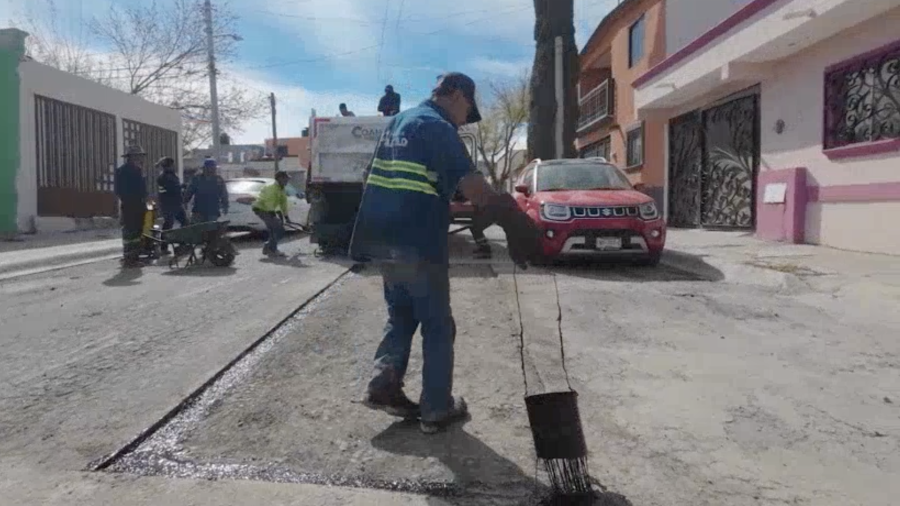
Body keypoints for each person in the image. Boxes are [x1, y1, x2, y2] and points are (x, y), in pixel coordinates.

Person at [349, 72, 541, 434]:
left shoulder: (398, 124)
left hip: (385, 240)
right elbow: (476, 191)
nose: (464, 120)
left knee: (401, 316)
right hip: (418, 241)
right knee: (438, 325)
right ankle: (436, 407)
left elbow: (391, 179)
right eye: (467, 111)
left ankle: (383, 385)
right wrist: (512, 218)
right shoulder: (437, 127)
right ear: (454, 94)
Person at [114, 145, 149, 268]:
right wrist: (132, 200)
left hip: (138, 205)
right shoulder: (123, 171)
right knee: (131, 233)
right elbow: (119, 190)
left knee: (137, 232)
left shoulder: (138, 170)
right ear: (130, 157)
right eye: (138, 155)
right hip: (131, 206)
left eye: (141, 156)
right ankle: (130, 258)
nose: (140, 158)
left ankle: (133, 257)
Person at [251, 171, 295, 257]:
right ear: (280, 179)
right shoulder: (272, 188)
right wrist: (273, 214)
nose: (287, 181)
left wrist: (286, 216)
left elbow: (283, 203)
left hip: (268, 209)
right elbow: (269, 202)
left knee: (273, 230)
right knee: (279, 230)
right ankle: (271, 248)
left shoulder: (281, 188)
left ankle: (269, 248)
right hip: (262, 209)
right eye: (286, 179)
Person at [155, 156, 188, 255]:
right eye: (172, 165)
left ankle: (182, 244)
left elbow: (175, 188)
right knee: (168, 225)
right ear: (168, 166)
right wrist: (181, 186)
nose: (174, 166)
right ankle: (164, 247)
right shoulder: (164, 177)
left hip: (176, 204)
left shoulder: (171, 175)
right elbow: (172, 189)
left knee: (185, 223)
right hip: (168, 205)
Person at [184, 158, 229, 223]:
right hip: (198, 210)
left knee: (211, 230)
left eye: (214, 168)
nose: (213, 170)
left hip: (213, 211)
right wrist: (185, 201)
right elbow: (189, 191)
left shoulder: (218, 180)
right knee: (196, 229)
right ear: (205, 168)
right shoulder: (197, 179)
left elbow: (224, 194)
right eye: (211, 168)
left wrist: (225, 206)